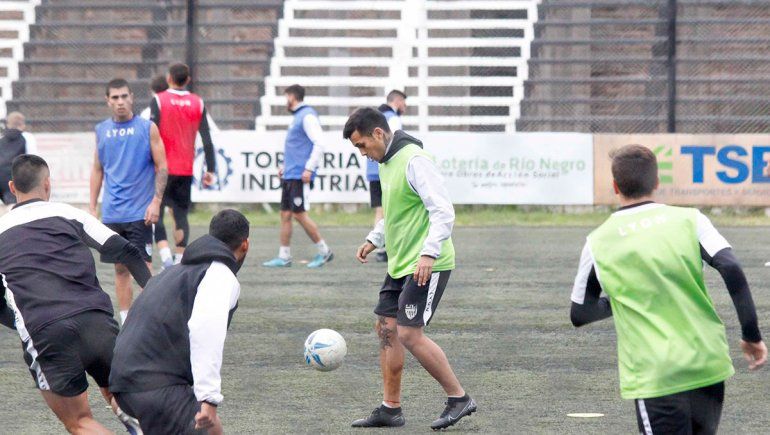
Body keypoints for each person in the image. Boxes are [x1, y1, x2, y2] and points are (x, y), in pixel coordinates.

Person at [570, 144, 767, 434]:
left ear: (614, 186)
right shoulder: (691, 220)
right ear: (657, 182)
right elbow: (732, 268)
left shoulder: (598, 242)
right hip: (707, 365)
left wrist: (625, 297)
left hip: (657, 374)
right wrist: (751, 335)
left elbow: (580, 312)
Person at [344, 108, 476, 430]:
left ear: (378, 133)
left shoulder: (415, 160)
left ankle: (459, 398)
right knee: (387, 330)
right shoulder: (387, 163)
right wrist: (374, 238)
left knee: (409, 333)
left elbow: (443, 211)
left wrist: (429, 255)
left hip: (426, 264)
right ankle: (391, 409)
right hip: (401, 263)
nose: (363, 154)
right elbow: (395, 213)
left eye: (362, 146)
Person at [0, 155, 149, 434]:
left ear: (11, 187)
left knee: (80, 422)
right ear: (48, 185)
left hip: (45, 329)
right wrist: (153, 295)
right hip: (96, 321)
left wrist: (23, 322)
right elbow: (127, 251)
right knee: (124, 400)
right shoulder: (70, 213)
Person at [110, 209, 250, 435]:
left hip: (123, 380)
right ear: (245, 245)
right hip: (154, 387)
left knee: (213, 431)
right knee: (208, 427)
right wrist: (209, 399)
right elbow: (205, 331)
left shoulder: (173, 272)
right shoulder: (220, 275)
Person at [91, 78, 168, 324]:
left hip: (139, 213)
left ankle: (150, 323)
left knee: (143, 269)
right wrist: (93, 207)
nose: (120, 102)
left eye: (124, 96)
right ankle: (126, 322)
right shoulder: (101, 130)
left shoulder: (147, 127)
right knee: (120, 269)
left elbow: (162, 166)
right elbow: (97, 170)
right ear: (108, 101)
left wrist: (156, 201)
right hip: (113, 213)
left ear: (132, 97)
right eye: (115, 97)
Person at [149, 63, 217, 269]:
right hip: (186, 169)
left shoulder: (159, 100)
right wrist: (210, 168)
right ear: (187, 80)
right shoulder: (198, 102)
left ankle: (165, 258)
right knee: (180, 215)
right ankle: (179, 262)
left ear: (169, 77)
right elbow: (206, 137)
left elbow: (152, 135)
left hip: (162, 169)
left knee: (156, 213)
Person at [263, 84, 333, 269]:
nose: (285, 100)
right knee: (285, 214)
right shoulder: (297, 118)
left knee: (299, 214)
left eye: (286, 96)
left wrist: (309, 169)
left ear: (292, 96)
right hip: (291, 174)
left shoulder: (307, 116)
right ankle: (284, 256)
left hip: (299, 176)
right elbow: (296, 147)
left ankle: (325, 252)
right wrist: (285, 167)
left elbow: (320, 143)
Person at [368, 90, 407, 263]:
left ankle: (381, 247)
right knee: (392, 207)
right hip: (387, 166)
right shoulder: (392, 117)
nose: (404, 107)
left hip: (372, 169)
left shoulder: (374, 116)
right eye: (404, 103)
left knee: (380, 209)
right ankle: (388, 247)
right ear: (397, 101)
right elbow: (396, 141)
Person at [0, 111, 37, 206]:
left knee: (9, 201)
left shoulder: (1, 138)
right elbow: (34, 159)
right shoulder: (27, 137)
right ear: (23, 125)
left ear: (7, 124)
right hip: (17, 176)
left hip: (1, 176)